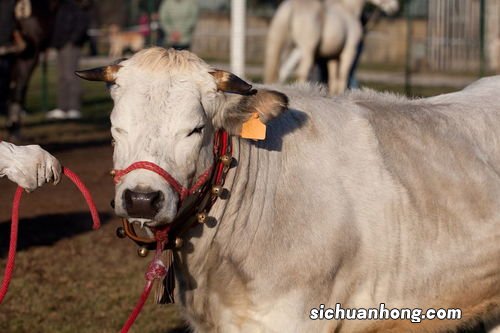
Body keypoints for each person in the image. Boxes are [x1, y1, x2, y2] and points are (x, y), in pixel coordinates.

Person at [46, 0, 91, 120]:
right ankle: (62, 107)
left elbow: (82, 23)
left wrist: (73, 40)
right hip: (60, 44)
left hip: (71, 44)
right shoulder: (62, 5)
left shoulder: (80, 5)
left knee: (71, 76)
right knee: (62, 77)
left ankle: (74, 108)